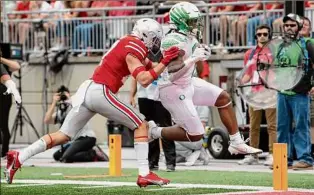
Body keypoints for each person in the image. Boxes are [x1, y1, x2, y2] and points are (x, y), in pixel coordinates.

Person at [5, 18, 181, 187]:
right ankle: (144, 174)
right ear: (146, 36)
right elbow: (144, 79)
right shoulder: (136, 46)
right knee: (141, 125)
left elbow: (150, 65)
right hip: (101, 91)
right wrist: (165, 61)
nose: (156, 43)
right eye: (155, 39)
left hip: (88, 89)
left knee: (63, 135)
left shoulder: (128, 42)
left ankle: (19, 157)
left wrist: (170, 63)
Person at [148, 2, 262, 156]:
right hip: (171, 88)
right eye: (192, 21)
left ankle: (236, 142)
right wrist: (193, 59)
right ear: (181, 21)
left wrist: (202, 56)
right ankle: (154, 131)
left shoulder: (190, 38)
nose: (195, 24)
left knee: (223, 98)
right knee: (196, 134)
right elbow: (172, 74)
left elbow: (197, 70)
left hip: (188, 82)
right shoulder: (172, 40)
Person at [275, 14, 314, 170]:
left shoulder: (309, 44)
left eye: (292, 25)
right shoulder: (280, 46)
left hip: (300, 92)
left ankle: (306, 159)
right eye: (286, 25)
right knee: (282, 126)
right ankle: (284, 159)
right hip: (282, 92)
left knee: (301, 126)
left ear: (299, 27)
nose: (289, 28)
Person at [238, 24, 277, 166]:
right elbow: (248, 73)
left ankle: (273, 154)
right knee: (253, 126)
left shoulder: (275, 52)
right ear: (256, 36)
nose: (262, 36)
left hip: (270, 92)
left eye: (265, 34)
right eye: (259, 34)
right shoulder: (250, 53)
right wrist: (240, 83)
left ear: (269, 36)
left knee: (272, 125)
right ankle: (253, 155)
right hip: (254, 92)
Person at [45, 86, 108, 163]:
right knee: (57, 156)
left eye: (64, 95)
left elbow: (78, 106)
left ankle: (93, 154)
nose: (63, 97)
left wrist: (69, 99)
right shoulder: (61, 111)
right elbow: (47, 120)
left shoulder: (76, 105)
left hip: (87, 138)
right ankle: (87, 151)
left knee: (66, 158)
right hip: (74, 141)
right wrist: (54, 102)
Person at [0, 56, 21, 158]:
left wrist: (1, 59)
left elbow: (17, 66)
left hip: (4, 96)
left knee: (3, 124)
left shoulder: (4, 63)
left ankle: (4, 151)